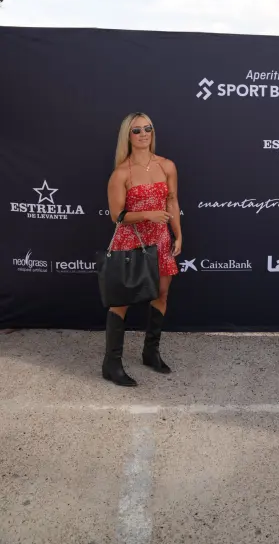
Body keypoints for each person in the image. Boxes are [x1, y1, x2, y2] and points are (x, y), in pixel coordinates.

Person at [102, 112, 182, 387]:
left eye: (148, 128)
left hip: (160, 240)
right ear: (128, 135)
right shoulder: (121, 173)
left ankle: (151, 352)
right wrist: (148, 214)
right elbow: (117, 216)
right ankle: (111, 363)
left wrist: (178, 234)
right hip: (130, 241)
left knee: (161, 293)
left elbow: (172, 202)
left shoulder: (167, 165)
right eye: (137, 130)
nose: (143, 134)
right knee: (121, 301)